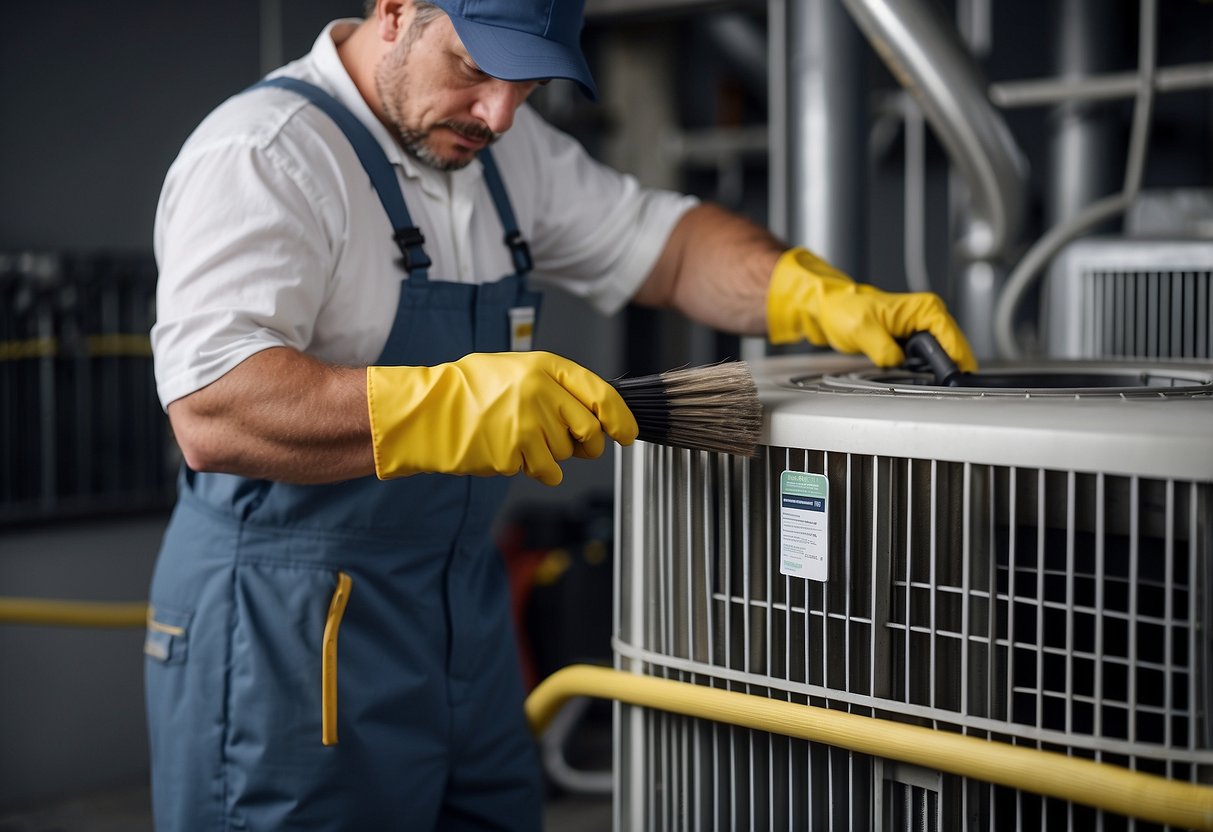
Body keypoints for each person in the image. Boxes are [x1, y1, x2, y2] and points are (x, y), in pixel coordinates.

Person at [145, 0, 976, 829]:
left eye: (529, 85)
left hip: (461, 614)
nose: (499, 114)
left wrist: (813, 294)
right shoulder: (267, 154)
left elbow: (670, 246)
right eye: (474, 70)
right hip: (290, 627)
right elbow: (213, 411)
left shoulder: (509, 155)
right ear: (394, 11)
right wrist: (444, 403)